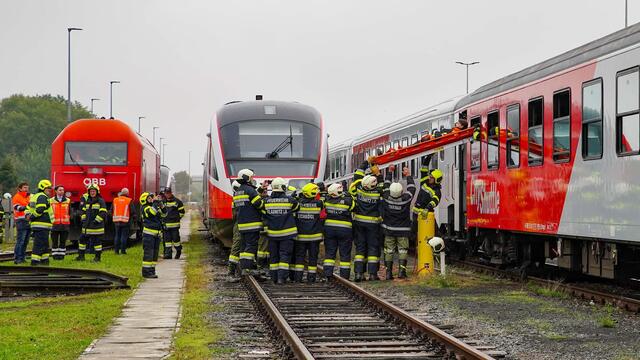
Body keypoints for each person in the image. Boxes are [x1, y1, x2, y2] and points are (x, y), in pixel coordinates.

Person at [349, 160, 383, 282]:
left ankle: (359, 273)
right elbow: (383, 185)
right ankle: (373, 275)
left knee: (360, 249)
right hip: (373, 225)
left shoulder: (358, 189)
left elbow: (357, 176)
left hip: (359, 223)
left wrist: (365, 163)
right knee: (373, 248)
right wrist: (378, 174)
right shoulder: (378, 192)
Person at [381, 167, 417, 280]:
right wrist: (408, 175)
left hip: (389, 230)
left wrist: (390, 172)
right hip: (403, 231)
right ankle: (402, 272)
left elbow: (386, 185)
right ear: (401, 191)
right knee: (402, 250)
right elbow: (412, 188)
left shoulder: (386, 198)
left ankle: (388, 273)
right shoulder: (405, 199)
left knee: (389, 251)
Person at [264, 177, 299, 284]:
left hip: (272, 234)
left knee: (274, 256)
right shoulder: (290, 201)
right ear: (283, 187)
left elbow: (263, 212)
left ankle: (274, 277)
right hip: (287, 234)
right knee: (285, 255)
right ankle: (281, 278)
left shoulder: (266, 201)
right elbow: (297, 208)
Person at [234, 169, 265, 273]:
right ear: (247, 178)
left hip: (242, 224)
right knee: (251, 246)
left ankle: (244, 266)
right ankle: (248, 269)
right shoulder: (250, 190)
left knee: (244, 246)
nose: (253, 179)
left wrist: (260, 190)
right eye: (252, 177)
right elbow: (259, 205)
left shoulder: (238, 192)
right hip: (252, 224)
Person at [323, 183, 355, 280]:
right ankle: (344, 276)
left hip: (329, 230)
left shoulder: (326, 201)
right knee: (345, 253)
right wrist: (349, 196)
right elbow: (353, 207)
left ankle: (328, 274)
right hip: (345, 231)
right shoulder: (347, 201)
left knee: (329, 252)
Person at [294, 183, 324, 283]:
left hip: (301, 237)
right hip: (314, 237)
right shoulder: (319, 204)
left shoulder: (298, 203)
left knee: (299, 257)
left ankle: (298, 278)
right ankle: (311, 278)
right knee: (313, 257)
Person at [76, 184, 107, 262]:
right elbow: (83, 211)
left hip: (96, 227)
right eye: (91, 191)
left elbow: (103, 212)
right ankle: (81, 256)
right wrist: (83, 218)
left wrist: (96, 220)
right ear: (88, 192)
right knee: (82, 240)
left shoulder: (101, 201)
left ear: (97, 192)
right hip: (87, 227)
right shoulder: (87, 201)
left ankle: (97, 258)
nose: (92, 193)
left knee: (97, 243)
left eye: (93, 191)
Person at [140, 192, 166, 278]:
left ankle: (152, 271)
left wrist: (161, 204)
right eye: (149, 198)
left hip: (156, 235)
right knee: (149, 254)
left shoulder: (153, 206)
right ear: (144, 200)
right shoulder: (145, 208)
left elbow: (164, 214)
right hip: (149, 236)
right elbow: (152, 213)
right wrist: (155, 202)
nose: (151, 199)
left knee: (155, 254)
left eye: (152, 198)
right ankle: (146, 272)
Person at [28, 180, 53, 265]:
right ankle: (35, 262)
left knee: (45, 244)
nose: (49, 190)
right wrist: (32, 217)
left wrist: (28, 216)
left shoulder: (35, 196)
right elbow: (40, 210)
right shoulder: (42, 197)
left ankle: (45, 261)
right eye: (48, 188)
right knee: (39, 244)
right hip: (42, 225)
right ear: (42, 188)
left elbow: (28, 208)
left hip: (40, 225)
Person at [161, 187, 185, 259]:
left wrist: (177, 218)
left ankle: (178, 251)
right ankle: (168, 255)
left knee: (176, 240)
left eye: (168, 193)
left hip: (175, 226)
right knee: (167, 241)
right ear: (164, 194)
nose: (167, 194)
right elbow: (160, 212)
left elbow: (182, 212)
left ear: (171, 193)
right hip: (166, 226)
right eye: (166, 193)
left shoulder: (178, 202)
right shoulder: (162, 202)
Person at [50, 185, 71, 260]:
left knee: (63, 242)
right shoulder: (51, 201)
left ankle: (61, 257)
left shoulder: (68, 201)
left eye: (63, 190)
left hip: (65, 225)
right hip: (54, 225)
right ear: (55, 191)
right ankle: (55, 257)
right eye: (60, 190)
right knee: (54, 242)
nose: (62, 191)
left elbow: (70, 212)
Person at [112, 187, 135, 255]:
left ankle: (116, 251)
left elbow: (111, 210)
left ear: (121, 193)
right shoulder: (129, 200)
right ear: (127, 193)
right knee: (123, 237)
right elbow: (133, 211)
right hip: (125, 221)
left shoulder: (115, 200)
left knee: (117, 236)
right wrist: (134, 220)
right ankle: (123, 251)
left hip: (116, 221)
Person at [12, 182, 30, 264]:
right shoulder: (17, 197)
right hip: (21, 221)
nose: (26, 189)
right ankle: (17, 258)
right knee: (21, 241)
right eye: (25, 188)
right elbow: (17, 208)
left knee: (25, 241)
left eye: (27, 187)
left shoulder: (29, 196)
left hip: (28, 221)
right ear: (20, 189)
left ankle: (22, 258)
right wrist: (28, 206)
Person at [228, 180, 243, 278]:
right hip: (239, 226)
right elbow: (234, 216)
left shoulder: (236, 199)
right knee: (236, 247)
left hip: (242, 224)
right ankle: (231, 272)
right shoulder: (236, 200)